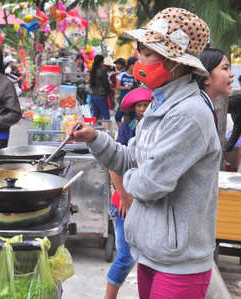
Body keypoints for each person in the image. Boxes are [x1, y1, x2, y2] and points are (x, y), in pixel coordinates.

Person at [67, 8, 219, 299]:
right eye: (141, 50)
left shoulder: (189, 114)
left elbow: (150, 184)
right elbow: (129, 159)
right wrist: (96, 138)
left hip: (179, 264)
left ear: (175, 62)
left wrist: (138, 173)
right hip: (152, 250)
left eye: (148, 52)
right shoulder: (158, 104)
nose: (139, 59)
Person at [106, 87, 152, 299]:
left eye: (146, 105)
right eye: (139, 106)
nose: (143, 109)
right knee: (125, 257)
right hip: (124, 201)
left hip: (143, 200)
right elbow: (113, 165)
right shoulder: (126, 129)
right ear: (133, 109)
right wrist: (124, 196)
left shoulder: (154, 129)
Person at [89, 55, 112, 130]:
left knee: (95, 114)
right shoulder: (102, 70)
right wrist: (109, 92)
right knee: (106, 115)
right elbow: (105, 83)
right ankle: (108, 132)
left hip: (93, 95)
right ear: (101, 62)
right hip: (101, 95)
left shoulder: (93, 70)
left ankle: (93, 130)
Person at [115, 57, 137, 126]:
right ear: (130, 65)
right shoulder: (122, 74)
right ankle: (123, 131)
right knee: (118, 117)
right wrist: (126, 87)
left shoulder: (136, 76)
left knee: (131, 117)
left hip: (133, 100)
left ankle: (129, 132)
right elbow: (117, 86)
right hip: (124, 99)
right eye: (135, 66)